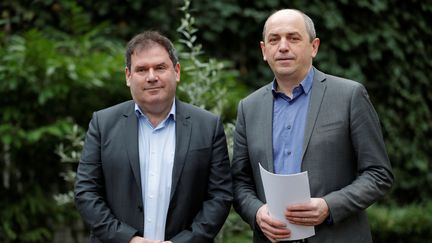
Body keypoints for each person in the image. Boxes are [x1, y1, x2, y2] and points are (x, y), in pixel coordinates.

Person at [231, 9, 393, 243]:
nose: (283, 47)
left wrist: (329, 206)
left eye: (293, 38)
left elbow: (379, 174)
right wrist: (256, 212)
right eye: (274, 40)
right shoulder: (249, 107)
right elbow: (239, 181)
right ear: (264, 51)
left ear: (314, 47)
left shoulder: (349, 96)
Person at [75, 31, 232, 243]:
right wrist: (128, 239)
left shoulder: (208, 126)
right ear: (128, 77)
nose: (151, 77)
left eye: (160, 67)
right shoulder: (103, 124)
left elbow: (220, 196)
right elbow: (86, 192)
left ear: (176, 71)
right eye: (141, 69)